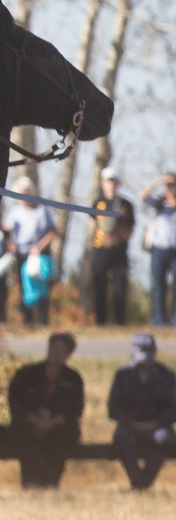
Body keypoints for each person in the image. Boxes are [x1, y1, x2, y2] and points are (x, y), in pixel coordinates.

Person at [0, 332, 86, 488]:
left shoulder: (73, 378)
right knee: (27, 437)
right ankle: (30, 483)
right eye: (54, 348)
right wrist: (35, 420)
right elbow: (15, 403)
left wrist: (52, 422)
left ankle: (51, 483)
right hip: (29, 424)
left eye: (61, 350)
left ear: (68, 354)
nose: (56, 353)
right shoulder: (26, 374)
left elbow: (76, 409)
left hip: (58, 425)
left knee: (61, 437)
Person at [108, 332, 176, 491]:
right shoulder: (123, 375)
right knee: (122, 438)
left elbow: (173, 407)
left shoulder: (167, 375)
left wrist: (156, 423)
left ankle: (144, 482)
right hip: (129, 425)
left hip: (158, 425)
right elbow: (113, 407)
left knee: (163, 438)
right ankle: (136, 479)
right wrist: (131, 423)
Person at [85, 171, 136, 327]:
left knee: (120, 285)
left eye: (114, 181)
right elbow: (92, 225)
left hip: (119, 250)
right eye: (108, 181)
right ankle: (100, 321)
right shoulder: (98, 203)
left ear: (118, 184)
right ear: (103, 183)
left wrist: (119, 239)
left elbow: (131, 226)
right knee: (100, 284)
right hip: (100, 249)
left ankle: (120, 321)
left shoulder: (126, 204)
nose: (111, 185)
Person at [5, 188, 59, 326]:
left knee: (42, 288)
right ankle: (27, 321)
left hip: (39, 255)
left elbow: (52, 231)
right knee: (25, 287)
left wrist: (39, 247)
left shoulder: (41, 210)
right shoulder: (15, 211)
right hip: (21, 254)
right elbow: (7, 230)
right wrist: (11, 244)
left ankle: (42, 321)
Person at [146, 174, 176, 327]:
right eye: (168, 185)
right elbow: (143, 195)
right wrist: (158, 181)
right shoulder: (159, 204)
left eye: (173, 184)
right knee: (159, 286)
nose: (170, 188)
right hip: (159, 249)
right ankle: (159, 320)